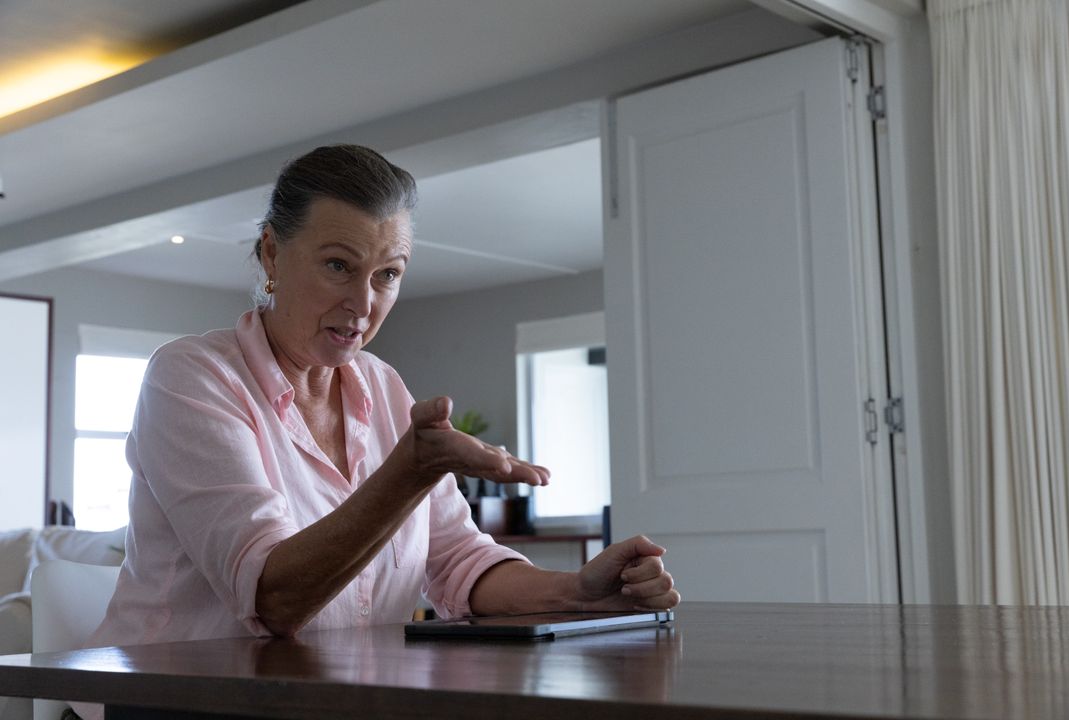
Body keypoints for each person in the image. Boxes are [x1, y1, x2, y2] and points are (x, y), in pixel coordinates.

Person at [85, 144, 679, 655]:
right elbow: (273, 599)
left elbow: (456, 560)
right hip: (165, 701)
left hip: (329, 698)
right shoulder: (192, 376)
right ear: (271, 254)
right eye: (338, 265)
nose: (363, 304)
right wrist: (407, 474)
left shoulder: (386, 388)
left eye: (387, 275)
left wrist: (576, 591)